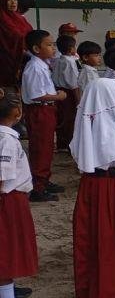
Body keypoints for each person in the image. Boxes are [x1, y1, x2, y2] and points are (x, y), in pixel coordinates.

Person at [70, 78, 115, 298]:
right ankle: (114, 287)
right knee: (114, 237)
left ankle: (93, 286)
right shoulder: (113, 127)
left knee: (91, 236)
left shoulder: (84, 123)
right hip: (112, 188)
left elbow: (76, 151)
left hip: (90, 185)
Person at [0, 91, 38, 298]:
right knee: (6, 252)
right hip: (8, 199)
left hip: (10, 197)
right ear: (17, 112)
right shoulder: (7, 140)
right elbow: (2, 174)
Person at [21, 30, 66, 202]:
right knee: (40, 148)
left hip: (46, 109)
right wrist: (57, 96)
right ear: (36, 48)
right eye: (49, 44)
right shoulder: (34, 67)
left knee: (47, 147)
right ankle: (38, 187)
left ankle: (44, 180)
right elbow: (36, 94)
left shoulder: (42, 64)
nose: (53, 48)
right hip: (39, 109)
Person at [52, 35, 81, 150]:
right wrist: (78, 99)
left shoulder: (58, 60)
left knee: (61, 117)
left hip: (58, 90)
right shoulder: (70, 62)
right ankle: (68, 144)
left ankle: (61, 142)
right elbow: (73, 83)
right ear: (71, 49)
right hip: (68, 93)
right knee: (70, 118)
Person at [0, 0, 32, 89]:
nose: (13, 2)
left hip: (27, 60)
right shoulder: (2, 19)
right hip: (8, 64)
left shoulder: (20, 18)